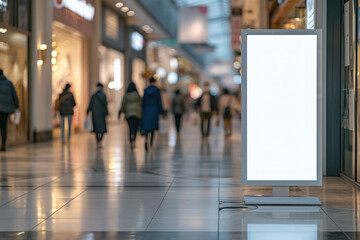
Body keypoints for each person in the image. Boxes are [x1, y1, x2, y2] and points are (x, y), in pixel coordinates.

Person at [141, 76, 164, 151]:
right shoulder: (157, 91)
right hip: (154, 110)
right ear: (154, 82)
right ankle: (151, 143)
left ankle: (146, 141)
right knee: (153, 127)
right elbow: (159, 101)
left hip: (147, 110)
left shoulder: (145, 90)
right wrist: (161, 111)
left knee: (147, 127)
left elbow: (143, 101)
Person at [119, 82, 142, 149]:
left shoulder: (126, 95)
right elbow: (141, 104)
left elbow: (123, 104)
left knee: (130, 128)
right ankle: (134, 140)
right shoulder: (137, 95)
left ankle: (131, 142)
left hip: (129, 114)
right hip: (137, 113)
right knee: (135, 128)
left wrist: (120, 112)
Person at [0, 69, 19, 152]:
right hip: (5, 108)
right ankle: (3, 144)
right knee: (4, 126)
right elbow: (14, 95)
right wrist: (17, 105)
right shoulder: (9, 83)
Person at [87, 83, 108, 148]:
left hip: (95, 114)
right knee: (102, 129)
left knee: (96, 129)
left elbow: (90, 104)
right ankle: (100, 141)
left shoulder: (94, 96)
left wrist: (88, 111)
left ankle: (98, 142)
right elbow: (105, 105)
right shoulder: (104, 95)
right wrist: (106, 113)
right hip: (101, 114)